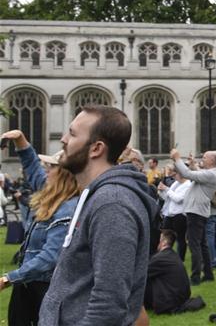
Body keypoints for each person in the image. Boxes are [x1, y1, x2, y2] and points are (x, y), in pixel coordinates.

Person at [36, 105, 157, 325]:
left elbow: (108, 305)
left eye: (72, 134)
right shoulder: (98, 195)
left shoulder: (112, 204)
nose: (63, 139)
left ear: (96, 148)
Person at [0, 132, 79, 325]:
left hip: (45, 287)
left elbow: (51, 256)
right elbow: (32, 166)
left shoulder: (67, 208)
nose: (45, 171)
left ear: (63, 174)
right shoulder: (51, 194)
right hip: (28, 281)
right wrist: (19, 139)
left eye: (50, 167)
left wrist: (10, 278)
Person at [171, 149, 216, 285]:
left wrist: (177, 158)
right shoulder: (210, 173)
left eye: (204, 157)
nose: (202, 159)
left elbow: (187, 174)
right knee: (202, 245)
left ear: (211, 161)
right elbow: (197, 172)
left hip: (196, 213)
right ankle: (208, 274)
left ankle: (195, 277)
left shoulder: (211, 174)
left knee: (194, 245)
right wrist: (192, 164)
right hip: (198, 212)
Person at [144, 229, 191, 314]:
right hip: (180, 299)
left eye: (159, 239)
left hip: (169, 302)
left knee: (141, 281)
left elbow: (141, 275)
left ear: (164, 242)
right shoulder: (173, 255)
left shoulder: (160, 258)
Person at [157, 170, 191, 261]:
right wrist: (161, 191)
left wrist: (166, 189)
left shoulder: (188, 185)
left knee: (180, 238)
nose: (173, 176)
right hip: (169, 214)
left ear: (181, 174)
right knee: (165, 235)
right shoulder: (176, 183)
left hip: (180, 214)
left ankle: (180, 259)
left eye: (175, 174)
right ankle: (165, 256)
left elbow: (178, 199)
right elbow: (167, 198)